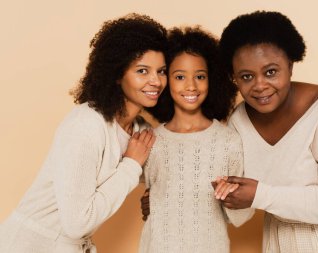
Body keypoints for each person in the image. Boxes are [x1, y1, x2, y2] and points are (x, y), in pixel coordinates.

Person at [213, 10, 318, 252]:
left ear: (290, 65)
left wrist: (262, 195)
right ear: (234, 78)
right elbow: (242, 214)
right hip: (284, 239)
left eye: (271, 72)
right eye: (247, 76)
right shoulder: (239, 121)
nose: (260, 86)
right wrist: (226, 194)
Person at [0, 13, 167, 253]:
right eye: (142, 71)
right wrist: (130, 165)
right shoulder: (87, 124)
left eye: (161, 71)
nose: (156, 81)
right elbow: (77, 223)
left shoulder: (140, 131)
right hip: (28, 245)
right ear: (118, 75)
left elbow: (171, 170)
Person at [138, 26, 253, 253]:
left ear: (213, 80)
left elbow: (242, 216)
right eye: (180, 76)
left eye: (200, 76)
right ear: (165, 80)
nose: (191, 86)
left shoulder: (228, 141)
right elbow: (150, 199)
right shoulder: (150, 140)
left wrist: (230, 196)